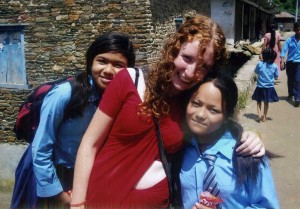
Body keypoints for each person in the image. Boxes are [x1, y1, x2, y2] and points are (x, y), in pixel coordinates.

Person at [71, 15, 265, 209]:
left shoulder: (192, 104)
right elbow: (90, 144)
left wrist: (247, 135)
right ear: (174, 49)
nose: (190, 72)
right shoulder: (128, 80)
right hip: (103, 198)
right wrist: (78, 203)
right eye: (187, 58)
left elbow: (216, 123)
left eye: (203, 66)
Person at [11, 32, 135, 209]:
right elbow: (41, 147)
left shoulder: (121, 100)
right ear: (91, 61)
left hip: (79, 176)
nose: (108, 70)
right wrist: (58, 194)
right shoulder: (65, 94)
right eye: (102, 61)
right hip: (47, 174)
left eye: (118, 65)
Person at [180, 74, 280, 209]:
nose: (200, 114)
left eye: (213, 110)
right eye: (196, 103)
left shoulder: (248, 156)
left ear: (226, 116)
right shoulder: (179, 150)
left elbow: (268, 206)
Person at [252, 48, 279, 122]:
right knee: (266, 102)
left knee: (258, 101)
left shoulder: (260, 64)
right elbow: (276, 76)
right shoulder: (274, 66)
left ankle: (259, 115)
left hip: (260, 86)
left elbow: (256, 71)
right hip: (269, 87)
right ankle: (264, 117)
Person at [280, 21, 300, 107]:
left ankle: (297, 98)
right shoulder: (289, 40)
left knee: (298, 80)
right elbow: (284, 51)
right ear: (295, 30)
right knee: (290, 79)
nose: (299, 32)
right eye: (298, 30)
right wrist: (282, 61)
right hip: (290, 63)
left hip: (299, 63)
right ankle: (290, 94)